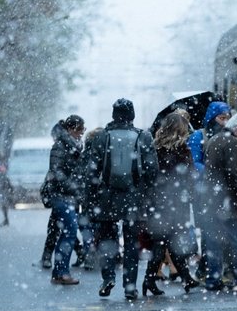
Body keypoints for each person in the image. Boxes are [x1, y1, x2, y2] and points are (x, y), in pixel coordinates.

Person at [82, 98, 158, 300]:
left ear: (113, 115)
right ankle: (130, 286)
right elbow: (152, 171)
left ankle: (108, 277)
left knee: (107, 240)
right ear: (132, 115)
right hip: (135, 198)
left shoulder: (102, 137)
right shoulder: (143, 137)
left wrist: (92, 196)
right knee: (132, 242)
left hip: (107, 197)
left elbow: (90, 172)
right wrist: (145, 193)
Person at [142, 111, 200, 296]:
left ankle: (179, 279)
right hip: (176, 203)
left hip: (158, 203)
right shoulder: (182, 150)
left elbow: (149, 176)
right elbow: (190, 178)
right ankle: (181, 278)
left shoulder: (154, 148)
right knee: (171, 243)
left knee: (161, 242)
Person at [202, 112, 237, 291]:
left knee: (214, 241)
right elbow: (235, 174)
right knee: (236, 241)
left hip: (212, 199)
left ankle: (213, 279)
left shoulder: (214, 139)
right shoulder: (232, 143)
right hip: (229, 201)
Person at [44, 115, 86, 285]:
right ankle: (62, 272)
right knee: (69, 231)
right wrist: (73, 187)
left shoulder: (73, 146)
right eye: (79, 130)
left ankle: (59, 271)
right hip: (61, 196)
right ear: (71, 129)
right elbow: (57, 172)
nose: (81, 133)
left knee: (67, 232)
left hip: (68, 196)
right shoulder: (60, 146)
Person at [189, 101, 231, 172]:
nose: (226, 123)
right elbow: (194, 162)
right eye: (222, 118)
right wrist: (211, 174)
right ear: (212, 118)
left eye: (228, 119)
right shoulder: (198, 136)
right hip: (203, 181)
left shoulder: (229, 137)